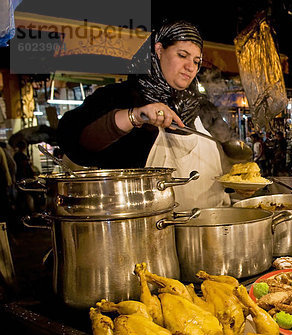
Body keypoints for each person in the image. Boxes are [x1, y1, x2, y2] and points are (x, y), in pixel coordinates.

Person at [57, 21, 235, 209]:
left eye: (196, 61)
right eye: (182, 55)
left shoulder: (204, 107)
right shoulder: (119, 96)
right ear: (159, 50)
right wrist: (134, 116)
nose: (190, 67)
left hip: (207, 229)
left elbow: (226, 165)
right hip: (146, 231)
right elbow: (74, 142)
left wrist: (240, 182)